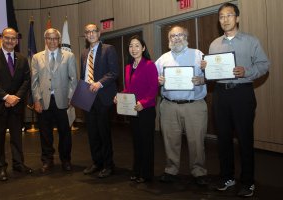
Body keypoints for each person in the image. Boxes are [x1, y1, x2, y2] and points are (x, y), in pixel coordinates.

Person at [201, 3, 270, 197]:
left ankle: (248, 182)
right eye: (221, 16)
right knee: (223, 139)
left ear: (237, 18)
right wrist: (207, 68)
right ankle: (227, 177)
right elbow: (213, 72)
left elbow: (264, 64)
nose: (225, 19)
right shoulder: (214, 44)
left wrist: (246, 71)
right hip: (221, 94)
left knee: (245, 139)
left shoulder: (250, 40)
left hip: (242, 93)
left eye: (229, 15)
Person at [155, 26, 208, 186]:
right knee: (170, 140)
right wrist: (158, 81)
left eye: (180, 35)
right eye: (173, 36)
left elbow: (213, 73)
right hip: (169, 106)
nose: (176, 38)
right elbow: (153, 79)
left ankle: (199, 172)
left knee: (197, 141)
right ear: (168, 39)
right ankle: (171, 170)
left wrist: (203, 79)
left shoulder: (197, 54)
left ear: (186, 36)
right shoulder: (162, 59)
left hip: (194, 105)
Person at [0, 27, 33, 181]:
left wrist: (16, 97)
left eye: (14, 38)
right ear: (1, 38)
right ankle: (1, 168)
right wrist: (6, 97)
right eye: (7, 37)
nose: (10, 41)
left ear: (17, 40)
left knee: (17, 138)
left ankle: (18, 164)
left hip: (16, 106)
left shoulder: (23, 59)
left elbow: (26, 81)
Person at [31, 28, 77, 173]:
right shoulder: (36, 57)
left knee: (65, 133)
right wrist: (37, 100)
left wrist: (71, 96)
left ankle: (66, 160)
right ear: (45, 40)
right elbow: (34, 81)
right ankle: (47, 160)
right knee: (45, 134)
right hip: (44, 101)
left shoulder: (69, 56)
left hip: (63, 100)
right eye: (49, 38)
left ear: (59, 40)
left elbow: (73, 79)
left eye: (55, 38)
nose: (52, 41)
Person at [114, 35, 158, 183]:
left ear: (143, 48)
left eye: (137, 45)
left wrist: (143, 103)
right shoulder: (128, 67)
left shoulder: (150, 65)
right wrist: (119, 97)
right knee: (137, 142)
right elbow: (128, 89)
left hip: (146, 110)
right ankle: (137, 170)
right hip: (133, 109)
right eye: (131, 46)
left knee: (147, 143)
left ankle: (146, 174)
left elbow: (153, 89)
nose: (134, 49)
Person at [81, 23, 119, 178]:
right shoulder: (84, 53)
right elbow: (83, 75)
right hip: (87, 97)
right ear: (85, 35)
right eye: (88, 32)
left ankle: (109, 165)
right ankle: (97, 162)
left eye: (93, 31)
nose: (91, 34)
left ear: (99, 33)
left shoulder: (108, 49)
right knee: (92, 133)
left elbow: (114, 72)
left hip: (103, 97)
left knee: (104, 133)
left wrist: (100, 83)